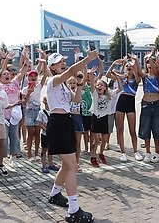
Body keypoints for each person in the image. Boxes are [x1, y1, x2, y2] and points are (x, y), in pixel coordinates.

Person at [46, 49, 97, 223]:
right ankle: (73, 210)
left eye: (63, 61)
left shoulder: (64, 84)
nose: (62, 63)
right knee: (72, 166)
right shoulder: (52, 80)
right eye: (59, 61)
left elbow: (75, 100)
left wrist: (81, 83)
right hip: (58, 122)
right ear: (52, 67)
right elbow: (69, 72)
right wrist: (86, 60)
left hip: (66, 121)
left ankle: (54, 194)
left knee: (67, 165)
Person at [107, 57, 143, 162]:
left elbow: (138, 78)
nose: (128, 68)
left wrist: (135, 63)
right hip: (121, 102)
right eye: (127, 67)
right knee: (120, 129)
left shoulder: (136, 80)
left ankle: (136, 151)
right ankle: (123, 153)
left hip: (130, 102)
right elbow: (108, 74)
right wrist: (114, 64)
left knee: (132, 130)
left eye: (130, 67)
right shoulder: (122, 78)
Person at [136, 50, 159, 163]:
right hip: (146, 104)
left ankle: (157, 152)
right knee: (146, 128)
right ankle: (148, 152)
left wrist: (155, 58)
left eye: (151, 62)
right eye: (147, 63)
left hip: (156, 104)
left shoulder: (158, 76)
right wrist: (141, 59)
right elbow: (139, 71)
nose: (149, 65)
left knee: (157, 128)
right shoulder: (144, 76)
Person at [89, 66, 122, 165]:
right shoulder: (94, 94)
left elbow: (120, 88)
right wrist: (91, 74)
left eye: (101, 85)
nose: (99, 87)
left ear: (105, 87)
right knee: (95, 141)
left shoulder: (109, 94)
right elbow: (91, 84)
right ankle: (93, 156)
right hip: (96, 117)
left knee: (104, 139)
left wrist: (117, 77)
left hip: (105, 118)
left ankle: (101, 153)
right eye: (98, 85)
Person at [21, 59, 47, 162]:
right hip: (29, 111)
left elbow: (45, 75)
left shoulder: (39, 86)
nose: (33, 77)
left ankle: (37, 153)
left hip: (38, 110)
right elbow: (24, 102)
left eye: (35, 76)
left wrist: (44, 63)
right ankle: (29, 154)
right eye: (31, 76)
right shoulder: (24, 89)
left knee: (37, 132)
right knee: (30, 133)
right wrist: (28, 93)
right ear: (27, 77)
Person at [66, 74, 85, 170]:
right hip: (69, 117)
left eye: (74, 83)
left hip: (77, 117)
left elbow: (83, 82)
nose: (73, 84)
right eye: (70, 83)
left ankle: (77, 162)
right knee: (69, 141)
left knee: (77, 142)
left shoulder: (79, 92)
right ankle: (69, 162)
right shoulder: (66, 93)